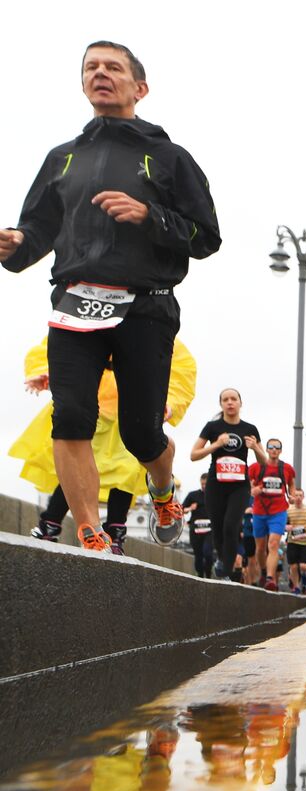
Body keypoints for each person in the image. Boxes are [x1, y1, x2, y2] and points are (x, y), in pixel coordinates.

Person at [0, 41, 220, 550]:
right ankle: (91, 534)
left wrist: (150, 216)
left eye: (113, 67)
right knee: (70, 416)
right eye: (91, 68)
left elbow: (206, 236)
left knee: (141, 433)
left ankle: (161, 487)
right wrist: (15, 245)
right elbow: (37, 231)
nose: (101, 73)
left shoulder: (168, 158)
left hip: (146, 303)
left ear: (138, 88)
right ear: (83, 85)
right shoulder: (63, 158)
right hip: (75, 302)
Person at [13, 330, 195, 555]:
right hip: (90, 406)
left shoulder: (147, 322)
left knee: (125, 473)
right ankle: (51, 524)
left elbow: (180, 368)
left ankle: (118, 531)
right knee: (75, 464)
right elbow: (57, 345)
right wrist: (48, 371)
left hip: (128, 412)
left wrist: (170, 402)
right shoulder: (89, 319)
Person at [191, 388, 265, 582]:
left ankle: (226, 568)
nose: (230, 402)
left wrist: (255, 447)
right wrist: (216, 445)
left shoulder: (250, 429)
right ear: (221, 404)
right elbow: (193, 455)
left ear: (241, 403)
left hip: (239, 486)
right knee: (217, 527)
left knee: (231, 526)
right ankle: (224, 562)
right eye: (226, 399)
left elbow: (264, 462)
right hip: (216, 484)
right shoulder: (212, 427)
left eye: (234, 399)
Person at [249, 438, 295, 591]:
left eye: (277, 447)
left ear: (280, 450)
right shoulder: (256, 467)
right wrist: (253, 490)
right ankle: (263, 571)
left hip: (279, 511)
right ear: (267, 450)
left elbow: (292, 488)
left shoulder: (287, 468)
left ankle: (270, 578)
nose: (274, 450)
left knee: (273, 544)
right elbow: (249, 486)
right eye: (271, 447)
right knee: (260, 548)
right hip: (260, 511)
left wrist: (293, 496)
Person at [285, 488, 306, 594]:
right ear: (293, 497)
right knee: (293, 566)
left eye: (300, 495)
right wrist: (287, 527)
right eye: (296, 495)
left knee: (303, 566)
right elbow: (284, 523)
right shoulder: (288, 510)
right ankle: (296, 588)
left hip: (305, 542)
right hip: (293, 541)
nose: (298, 497)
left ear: (303, 497)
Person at [183, 473, 213, 577]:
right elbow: (181, 510)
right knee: (198, 555)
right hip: (195, 530)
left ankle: (208, 574)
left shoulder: (215, 495)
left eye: (206, 484)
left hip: (210, 530)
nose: (204, 486)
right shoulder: (193, 495)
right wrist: (190, 508)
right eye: (202, 484)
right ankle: (200, 576)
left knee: (208, 552)